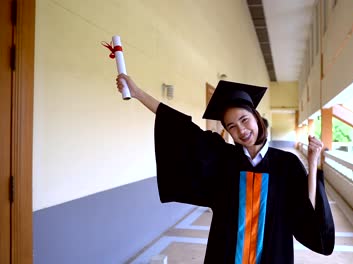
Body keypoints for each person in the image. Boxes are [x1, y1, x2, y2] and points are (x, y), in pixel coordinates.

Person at [116, 74, 335, 264]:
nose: (241, 130)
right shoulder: (222, 159)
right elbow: (181, 129)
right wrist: (137, 93)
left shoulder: (287, 164)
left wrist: (313, 162)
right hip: (225, 254)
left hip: (272, 254)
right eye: (232, 126)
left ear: (256, 118)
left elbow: (305, 210)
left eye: (244, 119)